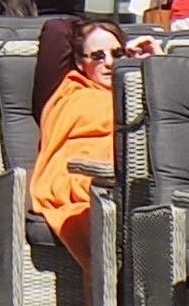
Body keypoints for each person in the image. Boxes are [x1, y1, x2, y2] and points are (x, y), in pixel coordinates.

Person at [30, 21, 124, 273]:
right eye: (98, 56)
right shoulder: (68, 94)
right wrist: (87, 21)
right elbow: (57, 29)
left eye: (117, 54)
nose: (109, 62)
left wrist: (152, 63)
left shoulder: (139, 90)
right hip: (82, 177)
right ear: (80, 63)